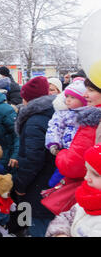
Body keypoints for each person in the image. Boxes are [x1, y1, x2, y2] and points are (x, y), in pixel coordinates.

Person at [12, 76, 56, 237]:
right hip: (50, 183)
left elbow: (32, 158)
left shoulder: (34, 121)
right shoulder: (53, 113)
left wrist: (20, 186)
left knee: (37, 225)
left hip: (37, 186)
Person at [54, 75, 101, 194]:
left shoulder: (93, 121)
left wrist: (61, 153)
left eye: (91, 90)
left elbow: (72, 166)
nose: (85, 95)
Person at [45, 144, 101, 237]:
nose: (86, 177)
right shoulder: (88, 197)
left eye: (95, 174)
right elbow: (67, 217)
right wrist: (60, 233)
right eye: (87, 170)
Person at [45, 78, 87, 187]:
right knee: (58, 178)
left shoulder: (88, 114)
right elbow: (54, 127)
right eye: (67, 96)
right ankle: (53, 189)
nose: (68, 100)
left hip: (82, 153)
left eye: (73, 97)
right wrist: (54, 143)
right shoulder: (63, 113)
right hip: (65, 151)